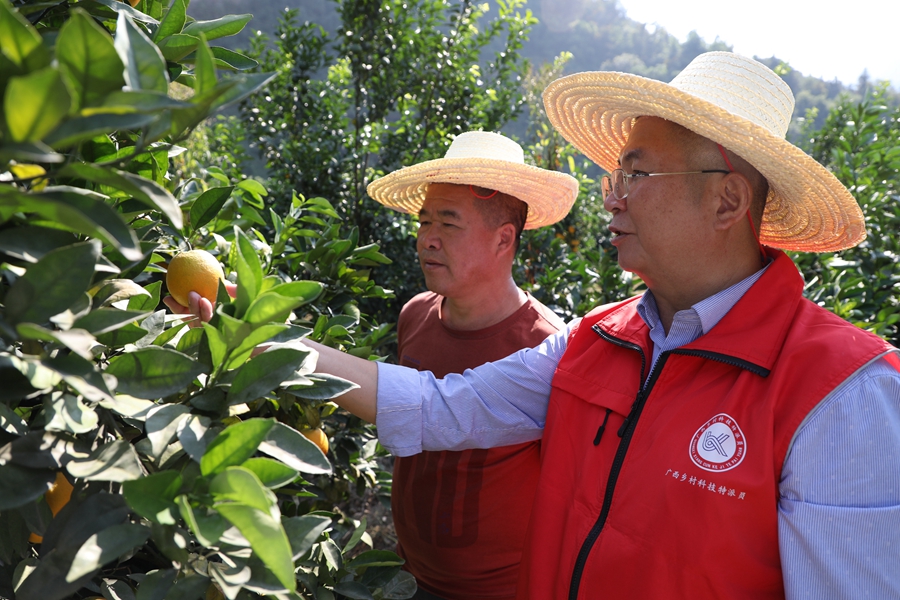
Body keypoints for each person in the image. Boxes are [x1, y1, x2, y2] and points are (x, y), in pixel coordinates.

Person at [306, 52, 900, 599]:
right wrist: (276, 346)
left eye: (636, 177)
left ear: (726, 201)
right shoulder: (596, 339)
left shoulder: (840, 394)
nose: (612, 200)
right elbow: (445, 407)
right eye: (615, 179)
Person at [364, 131, 577, 600]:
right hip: (406, 575)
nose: (428, 239)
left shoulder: (544, 347)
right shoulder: (416, 315)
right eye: (423, 221)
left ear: (504, 240)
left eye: (449, 223)